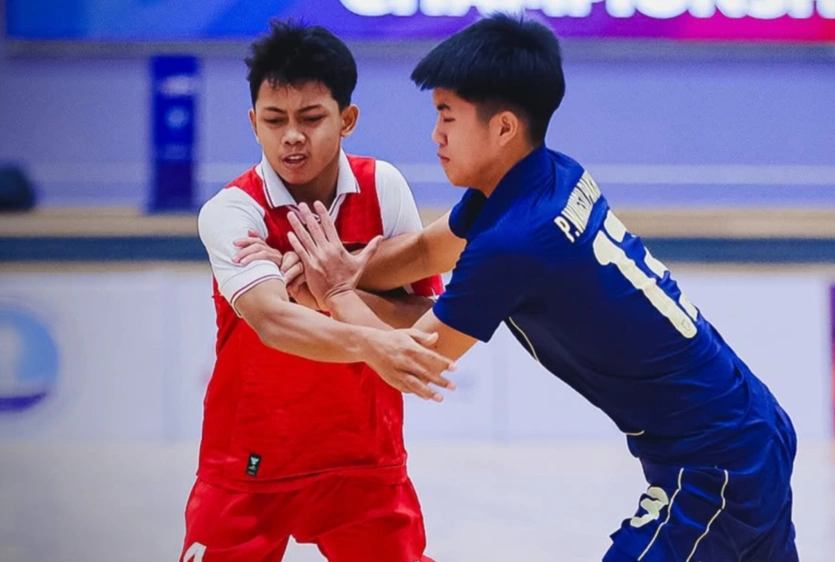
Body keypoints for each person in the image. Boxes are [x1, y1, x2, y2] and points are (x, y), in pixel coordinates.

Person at [287, 13, 799, 562]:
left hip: (714, 465)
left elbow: (417, 356)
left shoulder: (516, 242)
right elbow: (423, 253)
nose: (435, 134)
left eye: (446, 116)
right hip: (749, 426)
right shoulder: (547, 177)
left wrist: (336, 294)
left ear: (503, 127)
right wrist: (340, 266)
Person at [180, 20, 449, 562]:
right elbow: (273, 321)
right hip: (249, 460)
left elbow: (421, 316)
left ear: (347, 120)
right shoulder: (233, 211)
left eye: (311, 118)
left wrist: (326, 290)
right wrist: (370, 338)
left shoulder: (383, 187)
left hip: (363, 460)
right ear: (254, 123)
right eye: (274, 120)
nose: (292, 136)